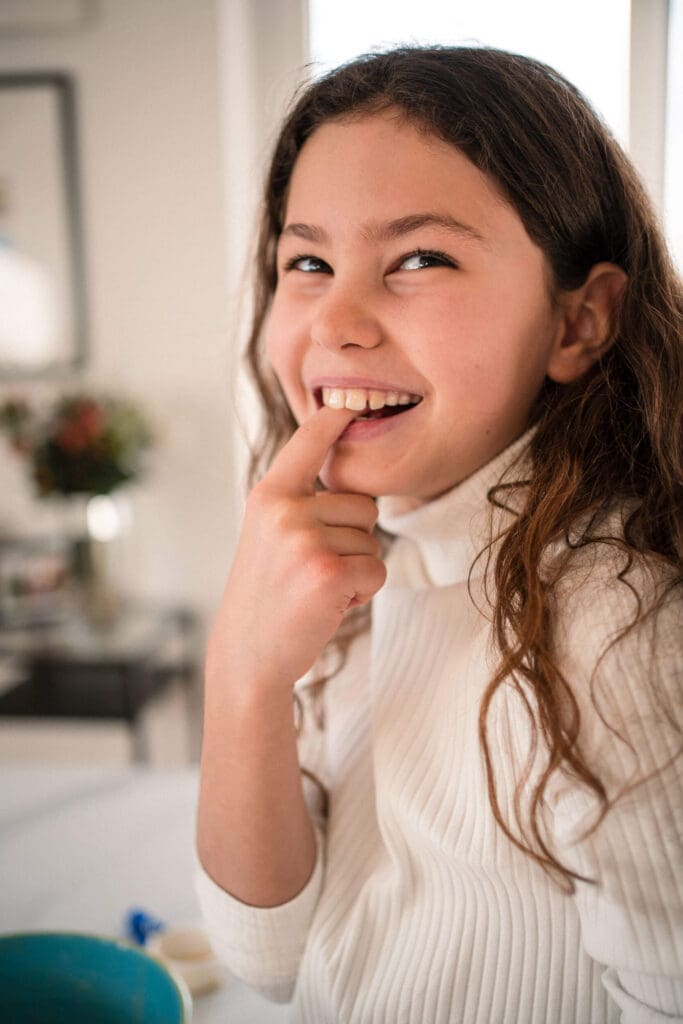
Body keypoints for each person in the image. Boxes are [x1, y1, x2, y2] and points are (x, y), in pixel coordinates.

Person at [195, 46, 683, 1023]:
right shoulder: (341, 559)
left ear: (575, 322)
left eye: (419, 258)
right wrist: (242, 676)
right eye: (307, 262)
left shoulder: (614, 624)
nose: (336, 319)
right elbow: (269, 955)